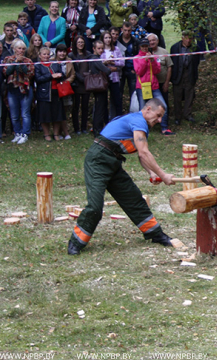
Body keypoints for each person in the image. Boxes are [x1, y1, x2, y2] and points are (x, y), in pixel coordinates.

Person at [67, 99, 176, 255]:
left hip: (112, 160)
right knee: (95, 207)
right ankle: (76, 243)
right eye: (158, 115)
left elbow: (141, 154)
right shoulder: (139, 121)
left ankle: (155, 234)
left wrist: (151, 173)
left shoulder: (138, 122)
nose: (159, 120)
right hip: (98, 159)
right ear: (148, 109)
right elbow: (144, 153)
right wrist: (163, 175)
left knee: (133, 198)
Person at [3, 39, 35, 144]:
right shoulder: (7, 59)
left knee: (25, 113)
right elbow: (6, 72)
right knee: (14, 114)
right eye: (19, 48)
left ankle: (24, 133)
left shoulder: (28, 61)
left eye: (22, 49)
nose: (20, 50)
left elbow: (29, 74)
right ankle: (17, 133)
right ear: (14, 49)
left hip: (25, 89)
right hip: (12, 89)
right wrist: (15, 62)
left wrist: (21, 63)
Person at [34, 47, 66, 141]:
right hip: (44, 94)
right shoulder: (38, 66)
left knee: (57, 115)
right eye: (44, 54)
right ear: (40, 55)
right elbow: (38, 79)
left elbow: (63, 75)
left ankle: (56, 134)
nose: (46, 56)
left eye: (48, 54)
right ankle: (46, 134)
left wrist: (60, 75)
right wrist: (51, 76)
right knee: (45, 116)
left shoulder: (55, 64)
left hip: (57, 93)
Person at [169, 31, 201, 125]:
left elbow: (197, 62)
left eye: (190, 38)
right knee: (177, 96)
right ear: (182, 38)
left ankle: (188, 114)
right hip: (178, 73)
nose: (188, 40)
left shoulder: (196, 48)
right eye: (186, 38)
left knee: (189, 94)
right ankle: (177, 117)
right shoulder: (175, 47)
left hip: (190, 73)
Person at [89, 40, 112, 135]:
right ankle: (97, 130)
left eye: (102, 48)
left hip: (99, 85)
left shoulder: (97, 58)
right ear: (94, 48)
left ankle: (97, 128)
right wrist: (107, 66)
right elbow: (107, 71)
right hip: (98, 86)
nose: (101, 50)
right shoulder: (95, 59)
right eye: (98, 48)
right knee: (99, 108)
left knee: (100, 107)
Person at [132, 39, 161, 113]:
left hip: (154, 86)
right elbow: (139, 72)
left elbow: (157, 71)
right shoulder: (136, 58)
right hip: (142, 87)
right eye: (143, 46)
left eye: (146, 46)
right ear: (140, 47)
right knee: (143, 109)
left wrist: (152, 61)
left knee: (162, 106)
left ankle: (163, 124)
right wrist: (145, 60)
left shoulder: (154, 57)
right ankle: (143, 124)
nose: (144, 48)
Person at [102, 31, 125, 119]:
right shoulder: (101, 50)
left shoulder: (116, 49)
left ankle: (119, 120)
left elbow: (122, 63)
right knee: (104, 102)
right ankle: (105, 121)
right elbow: (97, 63)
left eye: (109, 38)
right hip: (104, 78)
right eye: (106, 38)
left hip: (114, 78)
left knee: (117, 100)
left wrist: (113, 62)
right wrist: (104, 63)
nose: (108, 40)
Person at [71, 36, 91, 134]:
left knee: (85, 107)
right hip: (76, 84)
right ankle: (76, 128)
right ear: (75, 43)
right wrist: (80, 78)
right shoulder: (71, 55)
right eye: (78, 42)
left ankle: (84, 127)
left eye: (82, 42)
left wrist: (86, 79)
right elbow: (72, 70)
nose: (80, 44)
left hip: (86, 84)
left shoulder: (88, 55)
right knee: (76, 107)